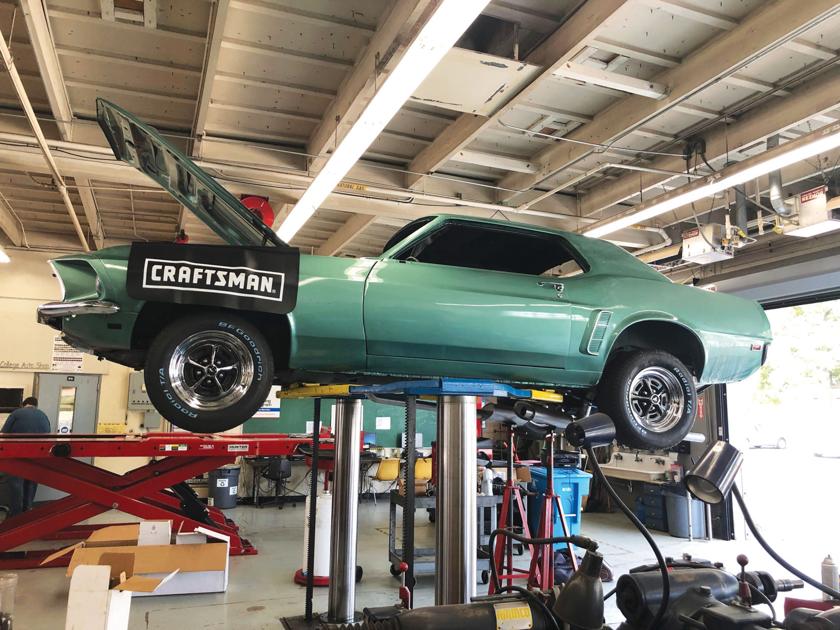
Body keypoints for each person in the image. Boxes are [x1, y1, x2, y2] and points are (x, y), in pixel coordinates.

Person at [1, 397, 51, 516]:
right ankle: (28, 511)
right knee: (31, 482)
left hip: (17, 454)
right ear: (35, 405)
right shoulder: (43, 415)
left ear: (24, 404)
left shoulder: (17, 413)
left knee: (16, 484)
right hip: (37, 456)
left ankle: (16, 515)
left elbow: (3, 433)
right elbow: (48, 434)